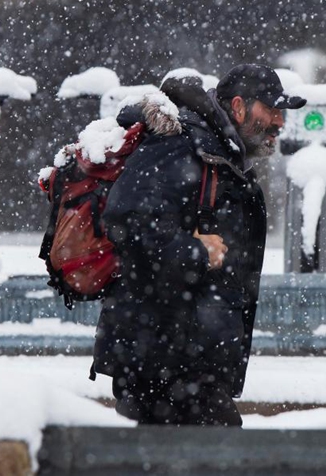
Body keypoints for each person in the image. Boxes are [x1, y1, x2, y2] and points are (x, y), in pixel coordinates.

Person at [92, 64, 306, 426]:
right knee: (217, 457)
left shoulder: (221, 155)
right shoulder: (181, 145)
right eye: (271, 110)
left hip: (187, 358)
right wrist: (195, 251)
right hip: (162, 359)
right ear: (238, 107)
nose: (279, 122)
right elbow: (126, 219)